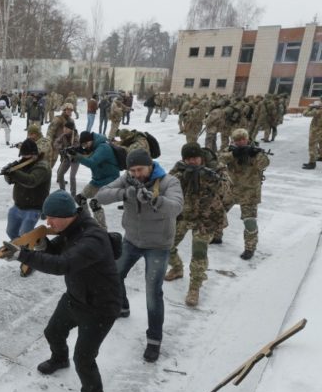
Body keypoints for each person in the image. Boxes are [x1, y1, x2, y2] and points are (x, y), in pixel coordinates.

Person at [0, 190, 122, 392]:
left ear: (68, 215)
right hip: (76, 296)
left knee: (84, 359)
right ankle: (59, 359)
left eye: (52, 218)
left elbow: (63, 264)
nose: (48, 223)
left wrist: (22, 255)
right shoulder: (68, 230)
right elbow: (58, 252)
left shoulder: (92, 238)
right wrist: (43, 245)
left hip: (100, 307)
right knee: (53, 332)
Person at [95, 149, 183, 361]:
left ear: (150, 165)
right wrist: (124, 193)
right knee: (114, 274)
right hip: (132, 240)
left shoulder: (168, 181)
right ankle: (123, 306)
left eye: (140, 169)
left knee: (153, 294)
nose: (136, 174)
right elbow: (101, 195)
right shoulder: (127, 179)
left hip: (158, 245)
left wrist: (155, 200)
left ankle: (154, 340)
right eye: (132, 170)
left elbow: (177, 207)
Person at [165, 143, 228, 307]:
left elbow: (226, 189)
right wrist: (183, 176)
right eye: (188, 159)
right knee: (167, 245)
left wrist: (205, 178)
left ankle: (194, 288)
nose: (192, 162)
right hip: (184, 215)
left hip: (206, 217)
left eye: (195, 158)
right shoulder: (181, 167)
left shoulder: (216, 167)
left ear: (201, 157)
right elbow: (167, 184)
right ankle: (177, 268)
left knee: (199, 252)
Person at [212, 128, 270, 260]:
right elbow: (219, 159)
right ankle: (216, 235)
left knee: (249, 221)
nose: (241, 142)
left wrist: (254, 154)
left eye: (243, 139)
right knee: (218, 212)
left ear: (247, 139)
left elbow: (265, 163)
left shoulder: (255, 151)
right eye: (237, 140)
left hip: (250, 192)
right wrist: (235, 154)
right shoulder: (230, 150)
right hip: (232, 189)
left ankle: (250, 248)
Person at [4, 138, 52, 276]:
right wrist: (8, 173)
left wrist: (15, 172)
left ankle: (31, 261)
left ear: (34, 154)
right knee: (12, 233)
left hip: (33, 208)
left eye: (27, 156)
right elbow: (11, 180)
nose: (24, 158)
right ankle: (31, 247)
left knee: (25, 237)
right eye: (22, 156)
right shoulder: (23, 163)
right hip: (17, 206)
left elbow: (31, 181)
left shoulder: (42, 166)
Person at [69, 131, 120, 229]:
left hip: (109, 180)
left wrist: (77, 156)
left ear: (91, 140)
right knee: (80, 198)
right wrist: (74, 153)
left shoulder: (103, 148)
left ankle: (101, 229)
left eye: (86, 144)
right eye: (83, 145)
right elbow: (86, 155)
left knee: (94, 203)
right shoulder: (93, 147)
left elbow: (92, 163)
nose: (85, 147)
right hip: (98, 180)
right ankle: (88, 222)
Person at [302, 101, 322, 169]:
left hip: (316, 131)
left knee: (312, 146)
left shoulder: (318, 111)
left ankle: (312, 163)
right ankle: (321, 157)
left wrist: (309, 108)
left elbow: (305, 113)